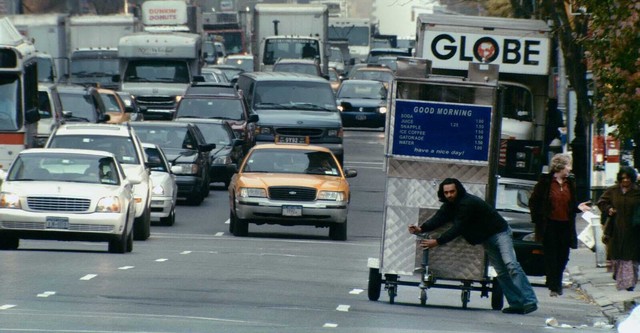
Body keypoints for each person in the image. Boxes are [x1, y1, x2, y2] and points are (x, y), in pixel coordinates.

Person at [408, 178, 538, 315]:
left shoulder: (468, 203)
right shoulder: (449, 205)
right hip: (486, 239)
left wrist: (438, 241)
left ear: (458, 190)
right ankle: (516, 304)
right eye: (446, 193)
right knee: (501, 271)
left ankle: (529, 301)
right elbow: (438, 219)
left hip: (500, 233)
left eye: (452, 191)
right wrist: (421, 229)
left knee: (511, 264)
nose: (449, 195)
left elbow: (459, 227)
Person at [528, 153, 591, 297]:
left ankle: (555, 280)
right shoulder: (545, 182)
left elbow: (571, 204)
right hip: (549, 224)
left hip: (565, 225)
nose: (570, 169)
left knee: (563, 255)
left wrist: (578, 207)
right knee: (551, 255)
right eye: (568, 165)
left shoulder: (570, 183)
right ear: (561, 167)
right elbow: (534, 201)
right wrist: (538, 218)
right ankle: (554, 285)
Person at [596, 166, 640, 291]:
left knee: (631, 257)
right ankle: (620, 278)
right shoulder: (613, 191)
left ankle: (629, 283)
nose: (625, 180)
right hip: (616, 229)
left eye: (628, 178)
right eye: (623, 178)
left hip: (634, 230)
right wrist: (609, 209)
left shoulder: (637, 191)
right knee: (617, 256)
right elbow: (602, 202)